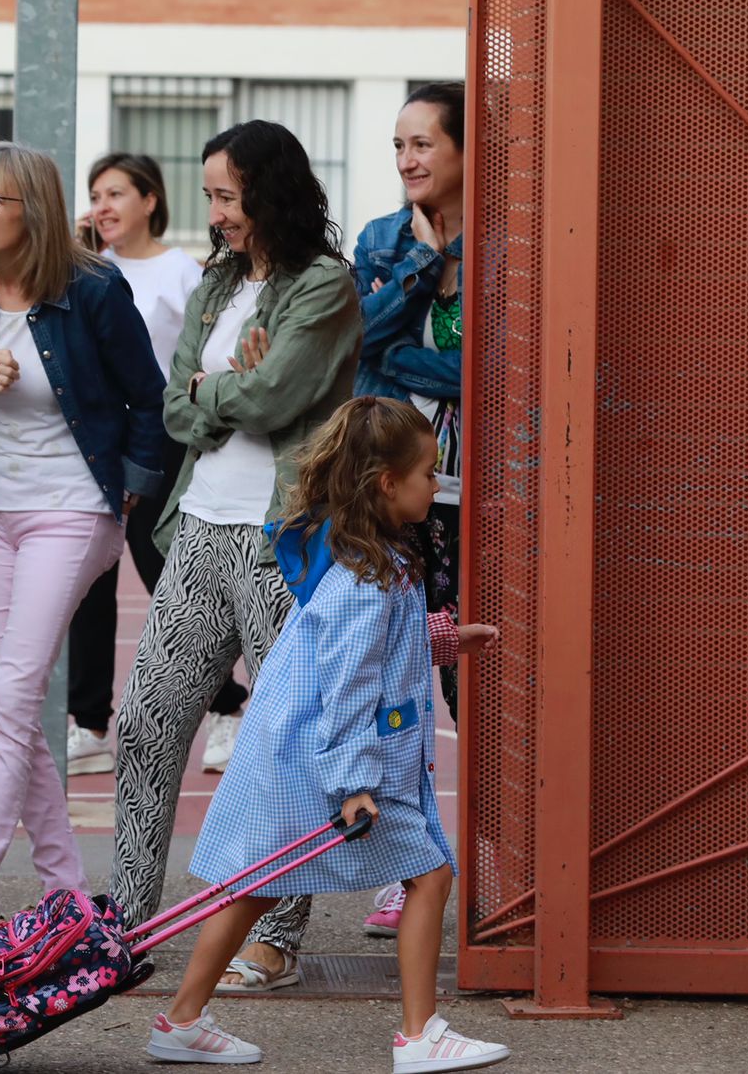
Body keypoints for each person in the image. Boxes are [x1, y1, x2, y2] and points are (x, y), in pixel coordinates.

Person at [143, 397, 507, 1072]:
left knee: (257, 881)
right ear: (386, 484)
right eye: (429, 473)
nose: (437, 483)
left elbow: (376, 653)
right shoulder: (367, 582)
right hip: (332, 759)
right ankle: (420, 1032)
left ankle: (182, 1019)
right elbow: (347, 690)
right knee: (430, 872)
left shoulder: (369, 560)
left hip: (295, 751)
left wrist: (449, 638)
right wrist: (353, 785)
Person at [111, 120, 361, 997]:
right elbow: (175, 408)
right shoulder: (218, 284)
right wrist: (221, 394)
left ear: (270, 193)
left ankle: (280, 933)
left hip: (279, 537)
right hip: (199, 529)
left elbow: (273, 392)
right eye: (211, 195)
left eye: (227, 196)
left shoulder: (324, 286)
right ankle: (130, 921)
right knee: (146, 726)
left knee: (280, 738)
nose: (214, 214)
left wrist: (212, 392)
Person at [0, 142, 167, 935]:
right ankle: (67, 892)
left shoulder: (91, 289)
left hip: (72, 508)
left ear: (35, 210)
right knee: (4, 707)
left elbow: (148, 402)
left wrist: (130, 491)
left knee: (15, 696)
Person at [63, 152, 234, 778]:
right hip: (91, 440)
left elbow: (201, 357)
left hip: (158, 437)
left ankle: (227, 705)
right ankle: (88, 724)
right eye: (95, 195)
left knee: (167, 576)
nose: (102, 206)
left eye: (116, 194)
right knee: (87, 583)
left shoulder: (180, 272)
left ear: (150, 200)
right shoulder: (83, 271)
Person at [352, 82, 466, 939]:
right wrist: (422, 269)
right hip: (396, 493)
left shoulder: (509, 243)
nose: (408, 161)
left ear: (467, 149)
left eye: (423, 143)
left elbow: (490, 374)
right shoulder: (384, 240)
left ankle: (481, 854)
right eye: (399, 146)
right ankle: (406, 863)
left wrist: (415, 365)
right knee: (394, 678)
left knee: (465, 678)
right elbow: (362, 343)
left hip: (481, 490)